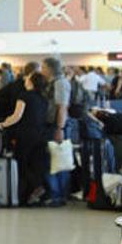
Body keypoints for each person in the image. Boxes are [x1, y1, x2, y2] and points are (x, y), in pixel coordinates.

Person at [1, 72, 50, 205]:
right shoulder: (43, 98)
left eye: (28, 78)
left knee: (22, 164)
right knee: (34, 165)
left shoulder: (24, 96)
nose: (25, 79)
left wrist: (4, 123)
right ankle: (37, 190)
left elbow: (17, 116)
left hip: (25, 134)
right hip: (40, 134)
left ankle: (30, 191)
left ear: (31, 82)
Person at [42, 57, 71, 207]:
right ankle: (54, 193)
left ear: (50, 68)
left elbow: (62, 107)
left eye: (43, 67)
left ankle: (58, 194)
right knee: (53, 159)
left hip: (56, 126)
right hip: (52, 125)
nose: (42, 70)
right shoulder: (52, 83)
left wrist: (59, 128)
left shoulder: (60, 83)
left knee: (57, 160)